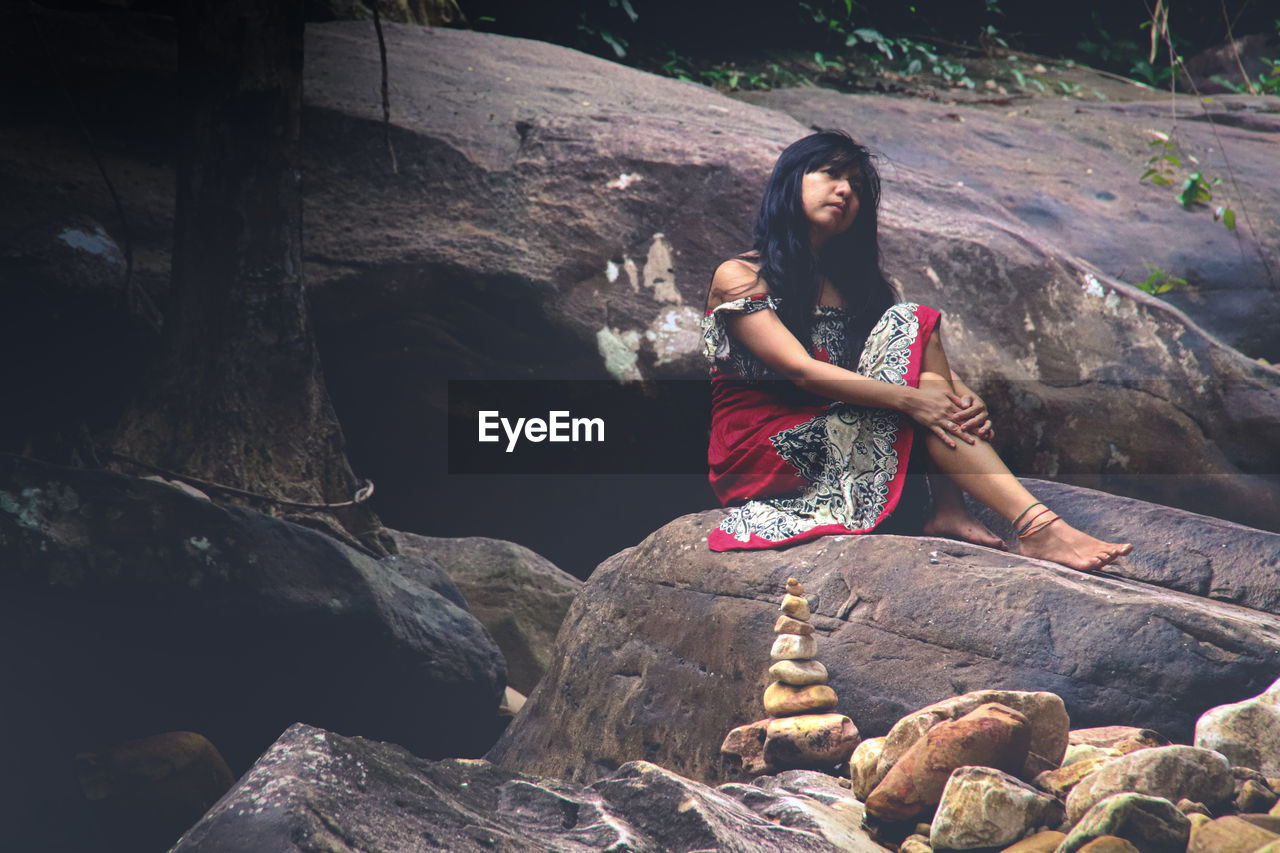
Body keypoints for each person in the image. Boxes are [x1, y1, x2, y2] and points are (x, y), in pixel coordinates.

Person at [702, 130, 1131, 572]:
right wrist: (917, 400)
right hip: (761, 450)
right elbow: (802, 372)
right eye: (830, 174)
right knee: (910, 329)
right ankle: (1036, 527)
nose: (846, 190)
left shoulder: (854, 287)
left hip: (832, 426)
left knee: (908, 320)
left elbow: (910, 352)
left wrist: (961, 398)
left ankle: (952, 507)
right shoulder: (740, 275)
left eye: (857, 185)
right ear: (790, 182)